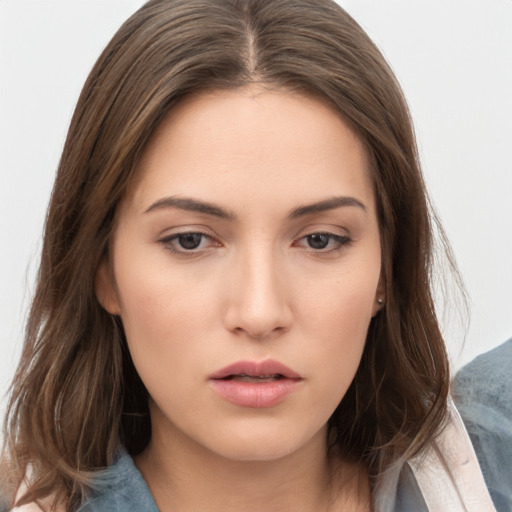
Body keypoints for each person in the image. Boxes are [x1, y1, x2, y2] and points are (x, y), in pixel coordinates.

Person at [0, 0, 507, 510]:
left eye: (320, 240)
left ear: (386, 269)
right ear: (102, 269)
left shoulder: (492, 463)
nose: (260, 312)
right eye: (190, 240)